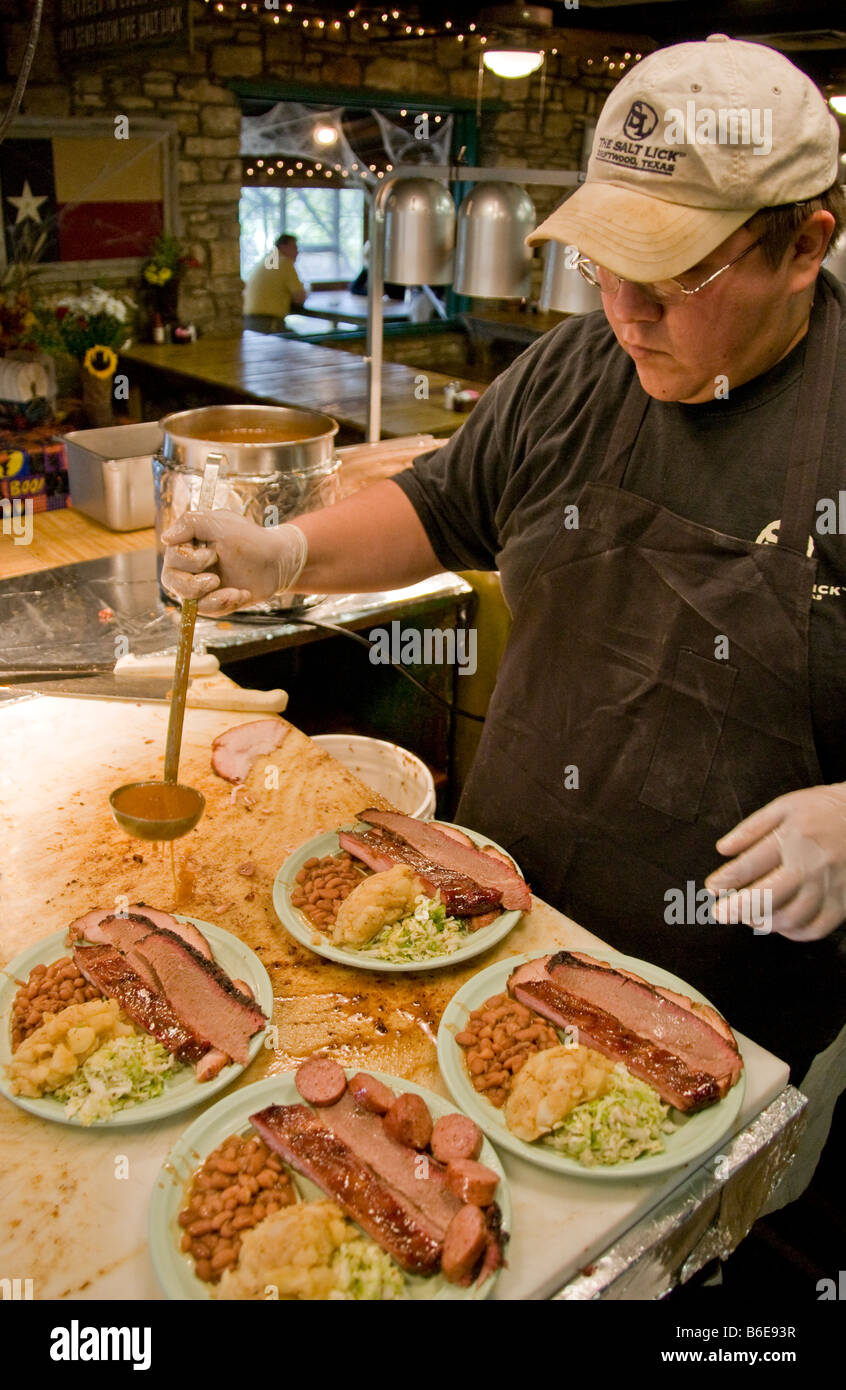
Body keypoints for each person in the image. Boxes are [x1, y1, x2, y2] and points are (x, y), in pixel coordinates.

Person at [164, 36, 846, 1198]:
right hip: (488, 940)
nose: (624, 311)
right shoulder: (575, 371)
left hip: (723, 1018)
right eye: (602, 264)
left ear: (805, 244)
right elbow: (439, 507)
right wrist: (285, 554)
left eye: (674, 277)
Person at [243, 232, 307, 332]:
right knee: (305, 345)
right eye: (294, 247)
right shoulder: (284, 263)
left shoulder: (268, 260)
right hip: (268, 323)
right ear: (283, 247)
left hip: (249, 322)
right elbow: (300, 297)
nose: (297, 252)